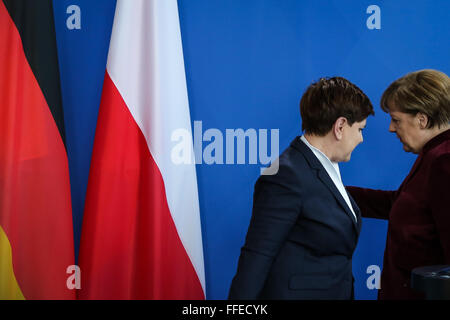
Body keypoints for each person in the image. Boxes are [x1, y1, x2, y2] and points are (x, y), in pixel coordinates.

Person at [228, 77, 374, 299]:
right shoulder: (285, 174)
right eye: (360, 129)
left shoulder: (325, 166)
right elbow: (257, 255)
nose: (361, 139)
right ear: (340, 126)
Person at [347, 69, 450, 299]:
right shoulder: (433, 156)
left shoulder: (444, 161)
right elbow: (402, 204)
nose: (391, 128)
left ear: (422, 119)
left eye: (396, 120)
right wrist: (334, 192)